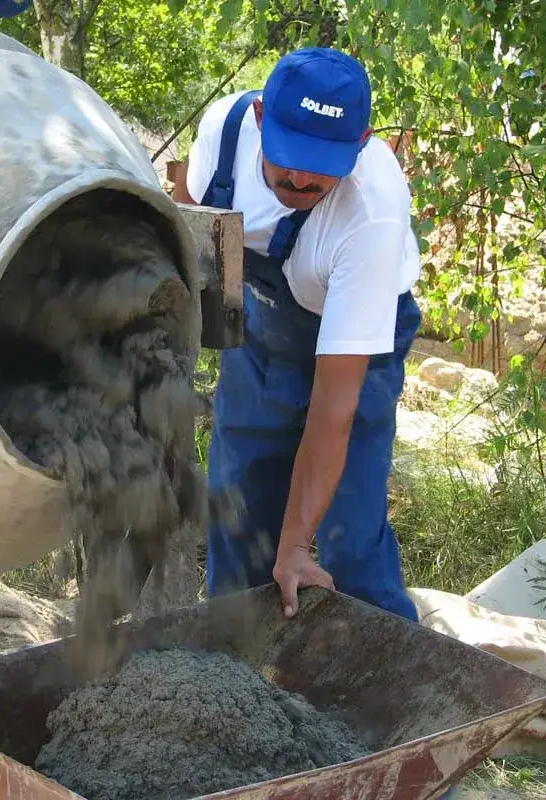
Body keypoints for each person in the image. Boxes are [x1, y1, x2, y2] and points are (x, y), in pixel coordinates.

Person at [172, 48, 422, 622]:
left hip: (360, 344)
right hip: (261, 331)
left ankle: (377, 693)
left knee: (345, 540)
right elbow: (184, 235)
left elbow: (334, 408)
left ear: (360, 144)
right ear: (261, 118)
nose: (301, 177)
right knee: (238, 514)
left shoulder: (371, 216)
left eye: (320, 165)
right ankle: (236, 682)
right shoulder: (226, 131)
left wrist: (294, 547)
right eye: (287, 159)